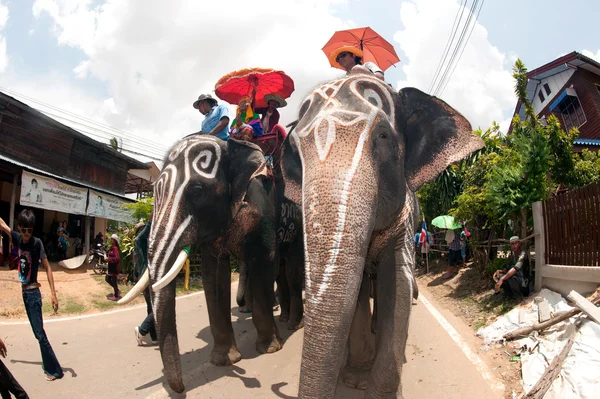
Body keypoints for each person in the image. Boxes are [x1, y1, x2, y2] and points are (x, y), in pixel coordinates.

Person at [0, 210, 64, 381]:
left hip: (33, 293)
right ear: (19, 228)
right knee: (38, 333)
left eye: (30, 230)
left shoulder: (37, 243)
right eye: (24, 230)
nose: (27, 234)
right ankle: (51, 367)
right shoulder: (18, 238)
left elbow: (48, 267)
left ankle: (55, 371)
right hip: (25, 293)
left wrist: (53, 294)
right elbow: (3, 225)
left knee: (39, 334)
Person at [133, 220, 157, 346]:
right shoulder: (140, 241)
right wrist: (149, 223)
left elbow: (135, 268)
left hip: (144, 279)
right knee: (158, 307)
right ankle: (142, 330)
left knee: (151, 307)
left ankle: (154, 336)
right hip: (148, 277)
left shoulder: (142, 245)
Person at [105, 234, 121, 301]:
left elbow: (117, 258)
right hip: (111, 267)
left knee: (114, 281)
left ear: (114, 240)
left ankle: (116, 296)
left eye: (111, 239)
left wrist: (109, 259)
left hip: (114, 267)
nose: (110, 240)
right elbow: (109, 254)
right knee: (107, 278)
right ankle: (117, 291)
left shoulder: (115, 248)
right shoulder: (112, 247)